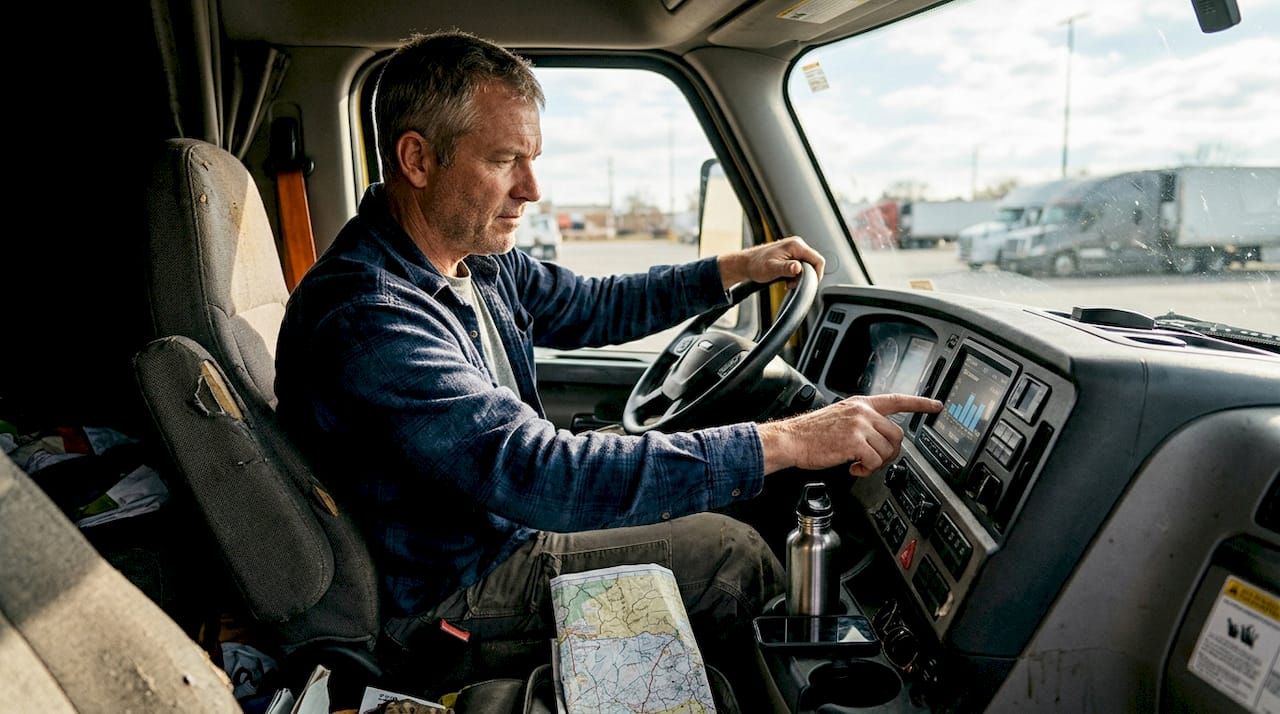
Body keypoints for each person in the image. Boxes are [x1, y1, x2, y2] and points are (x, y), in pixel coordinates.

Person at [274, 29, 942, 708]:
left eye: (532, 160)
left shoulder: (471, 258)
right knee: (732, 560)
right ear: (417, 159)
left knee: (714, 495)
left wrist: (732, 269)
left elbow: (590, 305)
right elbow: (538, 473)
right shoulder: (369, 315)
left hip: (494, 526)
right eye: (505, 161)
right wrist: (789, 439)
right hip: (450, 592)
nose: (532, 189)